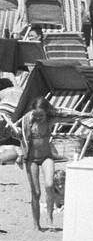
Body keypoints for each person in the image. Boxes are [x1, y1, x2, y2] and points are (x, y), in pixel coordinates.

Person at [19, 98, 62, 230]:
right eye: (35, 115)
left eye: (41, 115)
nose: (38, 118)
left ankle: (49, 218)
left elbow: (66, 115)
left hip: (46, 157)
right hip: (31, 159)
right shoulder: (28, 121)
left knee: (49, 185)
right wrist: (20, 154)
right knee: (36, 193)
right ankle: (36, 224)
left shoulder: (50, 120)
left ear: (46, 112)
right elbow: (22, 139)